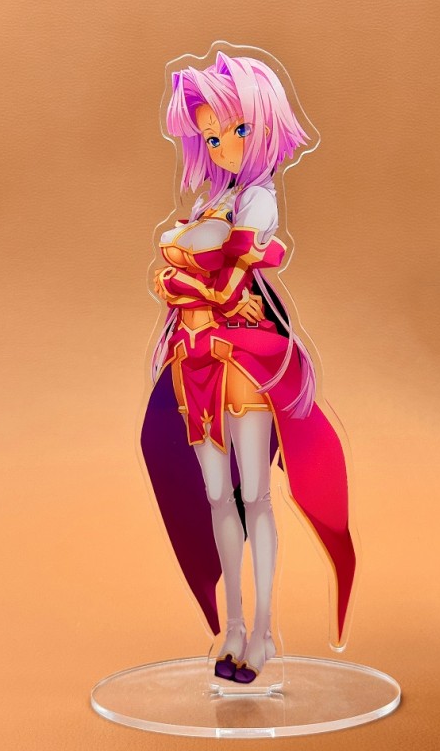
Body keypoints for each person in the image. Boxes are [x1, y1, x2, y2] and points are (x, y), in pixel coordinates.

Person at [140, 51, 356, 684]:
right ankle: (232, 626)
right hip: (197, 358)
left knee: (255, 495)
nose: (226, 146)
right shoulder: (215, 199)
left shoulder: (257, 200)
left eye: (237, 130)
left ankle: (261, 633)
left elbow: (226, 279)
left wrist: (189, 274)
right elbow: (176, 273)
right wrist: (186, 274)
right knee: (217, 496)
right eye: (212, 137)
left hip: (242, 359)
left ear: (262, 127)